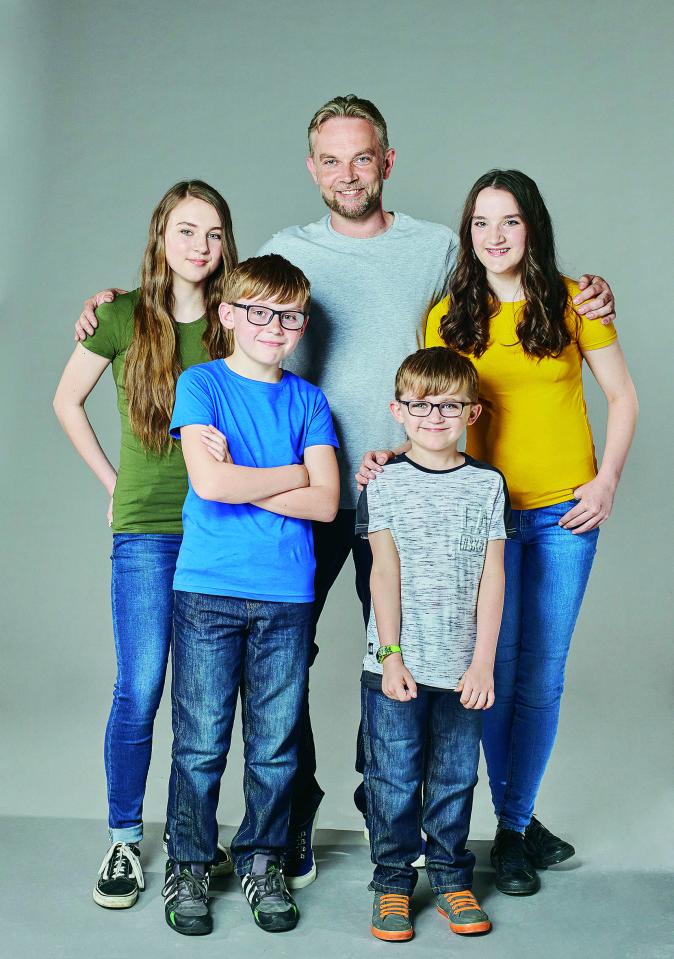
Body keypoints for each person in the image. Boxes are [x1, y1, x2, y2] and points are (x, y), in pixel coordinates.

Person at [72, 96, 617, 882]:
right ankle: (291, 813)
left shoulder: (434, 246)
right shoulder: (289, 247)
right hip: (307, 494)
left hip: (405, 493)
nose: (347, 173)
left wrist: (582, 288)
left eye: (362, 158)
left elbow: (504, 274)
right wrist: (111, 303)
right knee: (283, 663)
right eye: (331, 160)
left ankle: (392, 811)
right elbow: (214, 291)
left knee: (407, 658)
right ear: (312, 168)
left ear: (387, 162)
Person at [359, 169, 638, 896]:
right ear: (467, 233)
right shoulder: (448, 313)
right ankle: (476, 819)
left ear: (532, 227)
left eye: (509, 221)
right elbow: (430, 404)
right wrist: (396, 454)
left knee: (540, 677)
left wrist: (604, 480)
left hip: (561, 514)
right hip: (474, 517)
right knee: (484, 672)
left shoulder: (576, 301)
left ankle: (513, 827)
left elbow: (622, 395)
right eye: (480, 223)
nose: (494, 236)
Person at [52, 181, 238, 908]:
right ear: (161, 235)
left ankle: (193, 838)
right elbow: (66, 400)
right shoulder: (122, 315)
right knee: (139, 687)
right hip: (145, 530)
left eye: (214, 233)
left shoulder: (234, 322)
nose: (200, 246)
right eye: (187, 230)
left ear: (227, 244)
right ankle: (125, 839)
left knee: (206, 699)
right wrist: (111, 481)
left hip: (221, 529)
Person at [162, 254, 339, 936]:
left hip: (285, 595)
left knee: (275, 744)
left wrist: (255, 471)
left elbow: (325, 502)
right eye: (259, 311)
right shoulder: (200, 385)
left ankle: (261, 857)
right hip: (207, 589)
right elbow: (211, 486)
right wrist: (292, 470)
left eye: (288, 315)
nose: (274, 326)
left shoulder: (308, 400)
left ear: (300, 323)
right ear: (229, 314)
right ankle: (189, 861)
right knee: (201, 742)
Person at [358, 347, 510, 942]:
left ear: (472, 414)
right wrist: (391, 655)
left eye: (450, 405)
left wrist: (483, 662)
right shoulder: (385, 481)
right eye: (420, 405)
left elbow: (494, 577)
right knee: (392, 778)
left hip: (463, 668)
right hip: (396, 666)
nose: (434, 416)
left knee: (454, 778)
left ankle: (450, 877)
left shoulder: (487, 485)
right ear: (398, 410)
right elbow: (382, 574)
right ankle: (393, 883)